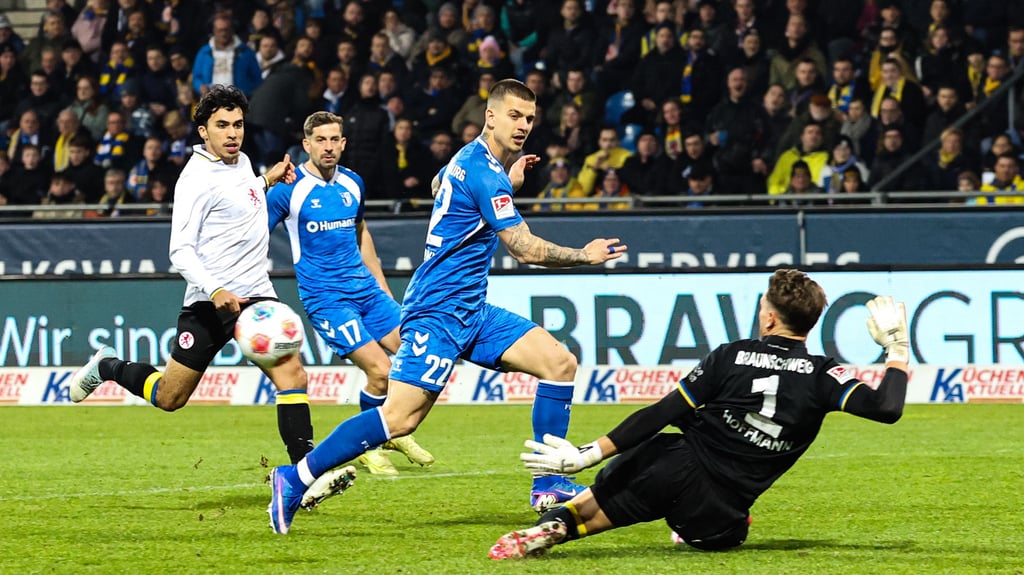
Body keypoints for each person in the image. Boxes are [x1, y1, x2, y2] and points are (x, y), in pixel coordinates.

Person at [266, 79, 628, 535]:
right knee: (399, 419)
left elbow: (441, 183)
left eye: (530, 119)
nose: (523, 126)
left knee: (559, 363)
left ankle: (548, 483)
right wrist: (585, 255)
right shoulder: (483, 171)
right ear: (490, 116)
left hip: (471, 309)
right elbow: (525, 250)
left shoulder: (472, 160)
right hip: (437, 311)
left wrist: (506, 183)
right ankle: (293, 478)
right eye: (514, 116)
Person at [489, 271, 909, 559]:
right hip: (719, 509)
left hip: (668, 464)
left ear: (769, 317)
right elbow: (887, 409)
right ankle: (689, 525)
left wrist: (586, 455)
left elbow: (662, 411)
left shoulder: (731, 355)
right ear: (812, 322)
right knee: (731, 534)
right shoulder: (825, 376)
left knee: (602, 504)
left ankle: (557, 525)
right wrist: (896, 349)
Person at [68, 86, 327, 476]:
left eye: (238, 124)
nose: (232, 134)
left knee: (292, 374)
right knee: (170, 397)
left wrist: (266, 181)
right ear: (203, 131)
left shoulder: (240, 163)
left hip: (256, 297)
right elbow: (180, 251)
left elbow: (240, 198)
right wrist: (215, 288)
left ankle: (304, 476)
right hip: (209, 303)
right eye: (222, 126)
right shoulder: (193, 180)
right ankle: (107, 367)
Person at [267, 111, 435, 477]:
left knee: (416, 354)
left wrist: (383, 289)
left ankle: (390, 428)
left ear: (344, 143)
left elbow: (361, 235)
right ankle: (369, 444)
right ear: (306, 145)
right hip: (327, 299)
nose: (328, 147)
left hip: (367, 292)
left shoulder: (353, 184)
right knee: (381, 370)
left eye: (335, 140)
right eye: (321, 140)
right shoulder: (288, 189)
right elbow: (253, 231)